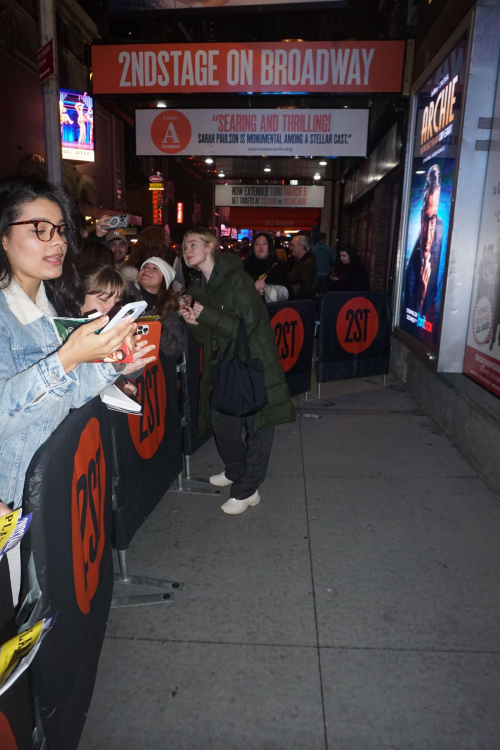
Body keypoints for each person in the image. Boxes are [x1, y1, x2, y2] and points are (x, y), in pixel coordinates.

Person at [179, 229, 294, 515]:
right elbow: (210, 338)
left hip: (256, 361)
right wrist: (195, 323)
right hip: (226, 363)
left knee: (259, 424)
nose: (186, 250)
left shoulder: (237, 280)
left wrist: (205, 314)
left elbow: (250, 326)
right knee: (221, 418)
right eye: (183, 246)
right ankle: (236, 469)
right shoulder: (198, 287)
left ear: (210, 246)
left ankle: (247, 489)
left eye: (193, 244)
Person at [404, 164, 443, 315]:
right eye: (426, 218)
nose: (429, 228)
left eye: (433, 218)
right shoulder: (411, 268)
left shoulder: (439, 231)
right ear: (421, 217)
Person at [131, 256, 185, 361]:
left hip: (154, 371)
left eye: (154, 268)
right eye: (144, 267)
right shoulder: (125, 296)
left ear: (164, 279)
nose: (147, 269)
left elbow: (176, 350)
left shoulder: (169, 310)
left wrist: (158, 329)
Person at [243, 232, 293, 303]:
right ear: (253, 248)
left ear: (270, 247)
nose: (261, 247)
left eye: (264, 243)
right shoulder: (245, 267)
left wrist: (267, 292)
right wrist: (254, 289)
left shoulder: (279, 266)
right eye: (257, 244)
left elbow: (289, 293)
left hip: (276, 309)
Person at [289, 235, 317, 300]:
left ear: (301, 246)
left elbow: (306, 287)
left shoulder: (308, 262)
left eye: (293, 245)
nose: (290, 248)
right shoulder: (302, 260)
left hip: (302, 301)